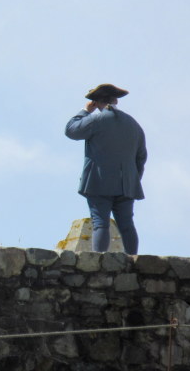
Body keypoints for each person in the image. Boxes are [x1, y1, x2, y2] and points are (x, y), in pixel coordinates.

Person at [65, 83, 147, 254]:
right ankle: (133, 260)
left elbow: (71, 130)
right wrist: (133, 179)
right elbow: (141, 157)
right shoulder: (134, 124)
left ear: (96, 102)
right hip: (127, 185)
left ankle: (99, 261)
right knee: (126, 224)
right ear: (116, 100)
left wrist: (85, 111)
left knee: (100, 223)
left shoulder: (96, 120)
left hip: (99, 182)